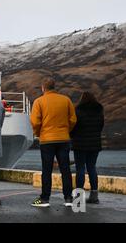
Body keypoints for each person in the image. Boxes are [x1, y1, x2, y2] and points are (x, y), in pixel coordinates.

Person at [30, 77, 77, 208]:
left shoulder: (39, 101)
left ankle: (45, 199)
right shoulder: (66, 100)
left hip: (46, 140)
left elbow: (35, 122)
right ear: (54, 87)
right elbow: (73, 119)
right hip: (63, 139)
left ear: (43, 88)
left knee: (47, 170)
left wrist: (39, 133)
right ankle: (68, 198)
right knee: (65, 169)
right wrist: (66, 130)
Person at [71, 92, 104, 204]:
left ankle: (79, 198)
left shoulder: (78, 111)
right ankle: (94, 196)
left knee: (80, 169)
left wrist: (73, 136)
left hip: (80, 144)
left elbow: (73, 127)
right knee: (92, 168)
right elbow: (101, 126)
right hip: (94, 144)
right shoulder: (99, 111)